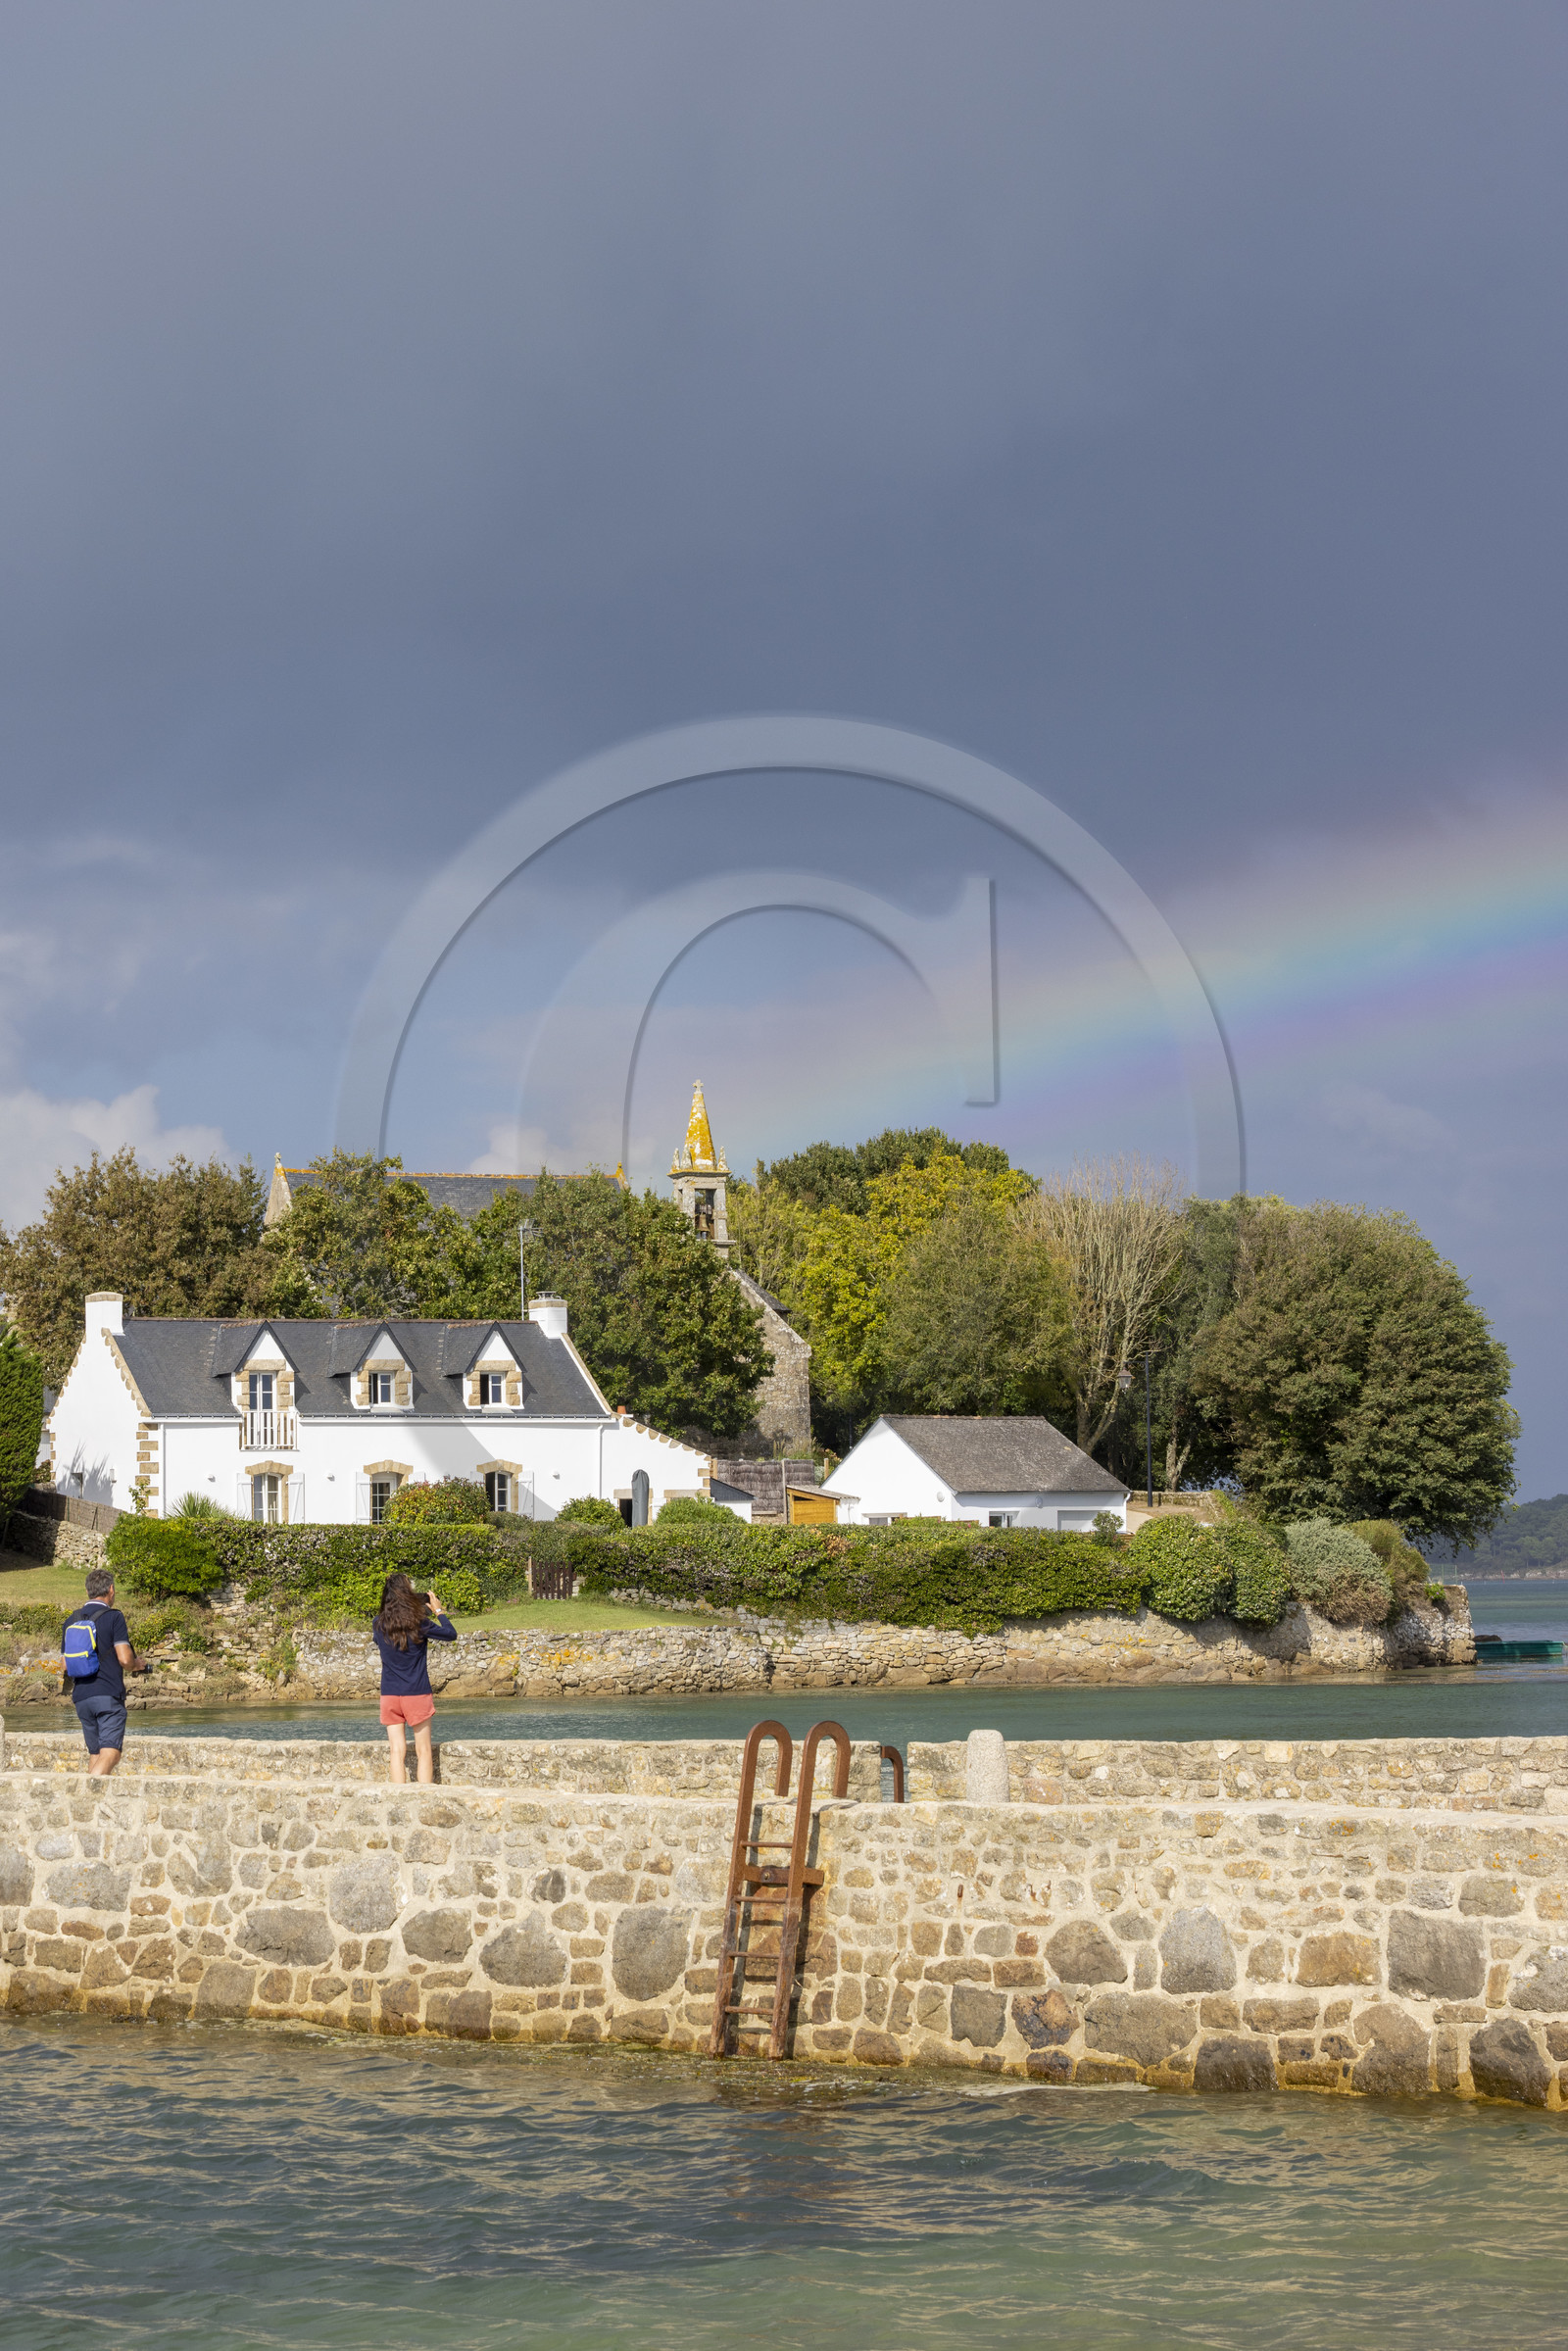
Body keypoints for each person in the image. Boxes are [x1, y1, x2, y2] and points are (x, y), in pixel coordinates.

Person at [60, 1566, 147, 1776]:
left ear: (88, 1590)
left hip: (81, 1698)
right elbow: (125, 1659)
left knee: (96, 1753)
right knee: (111, 1754)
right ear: (111, 1589)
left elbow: (64, 1665)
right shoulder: (114, 1617)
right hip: (107, 1695)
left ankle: (90, 1806)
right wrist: (138, 1665)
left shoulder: (71, 1619)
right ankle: (86, 1795)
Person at [372, 1572, 457, 1784]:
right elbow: (450, 1633)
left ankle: (398, 1798)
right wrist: (437, 1610)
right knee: (423, 1750)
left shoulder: (378, 1623)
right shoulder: (419, 1622)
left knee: (396, 1751)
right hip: (416, 1693)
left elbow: (381, 1638)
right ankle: (423, 1799)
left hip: (390, 1695)